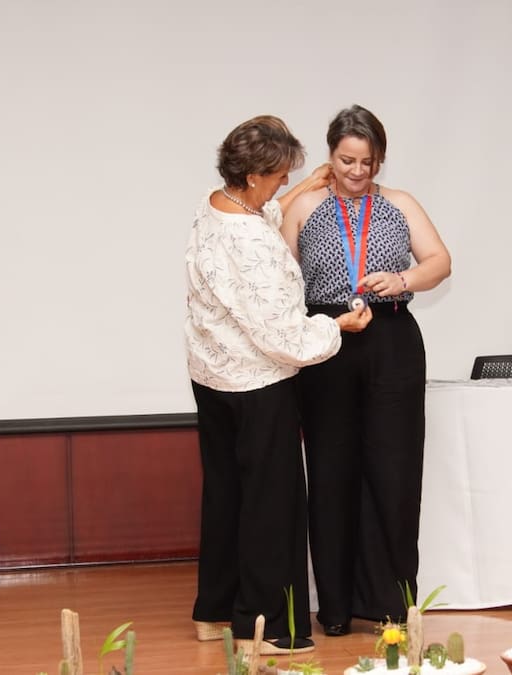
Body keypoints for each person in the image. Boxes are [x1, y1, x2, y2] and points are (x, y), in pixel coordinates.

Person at [185, 115, 372, 653]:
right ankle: (265, 629)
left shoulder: (215, 206)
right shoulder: (254, 245)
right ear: (252, 176)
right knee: (272, 506)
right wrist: (337, 326)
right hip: (259, 386)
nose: (286, 182)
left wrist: (304, 187)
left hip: (213, 378)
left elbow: (261, 214)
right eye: (279, 175)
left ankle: (216, 610)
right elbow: (284, 337)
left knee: (227, 495)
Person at [281, 104, 452, 636]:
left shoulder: (400, 204)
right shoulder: (304, 205)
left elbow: (439, 262)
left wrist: (402, 280)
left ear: (380, 159)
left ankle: (391, 606)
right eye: (347, 160)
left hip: (391, 339)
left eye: (367, 161)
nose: (357, 171)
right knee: (331, 470)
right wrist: (302, 185)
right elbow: (274, 267)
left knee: (394, 472)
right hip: (328, 340)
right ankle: (334, 608)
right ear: (330, 155)